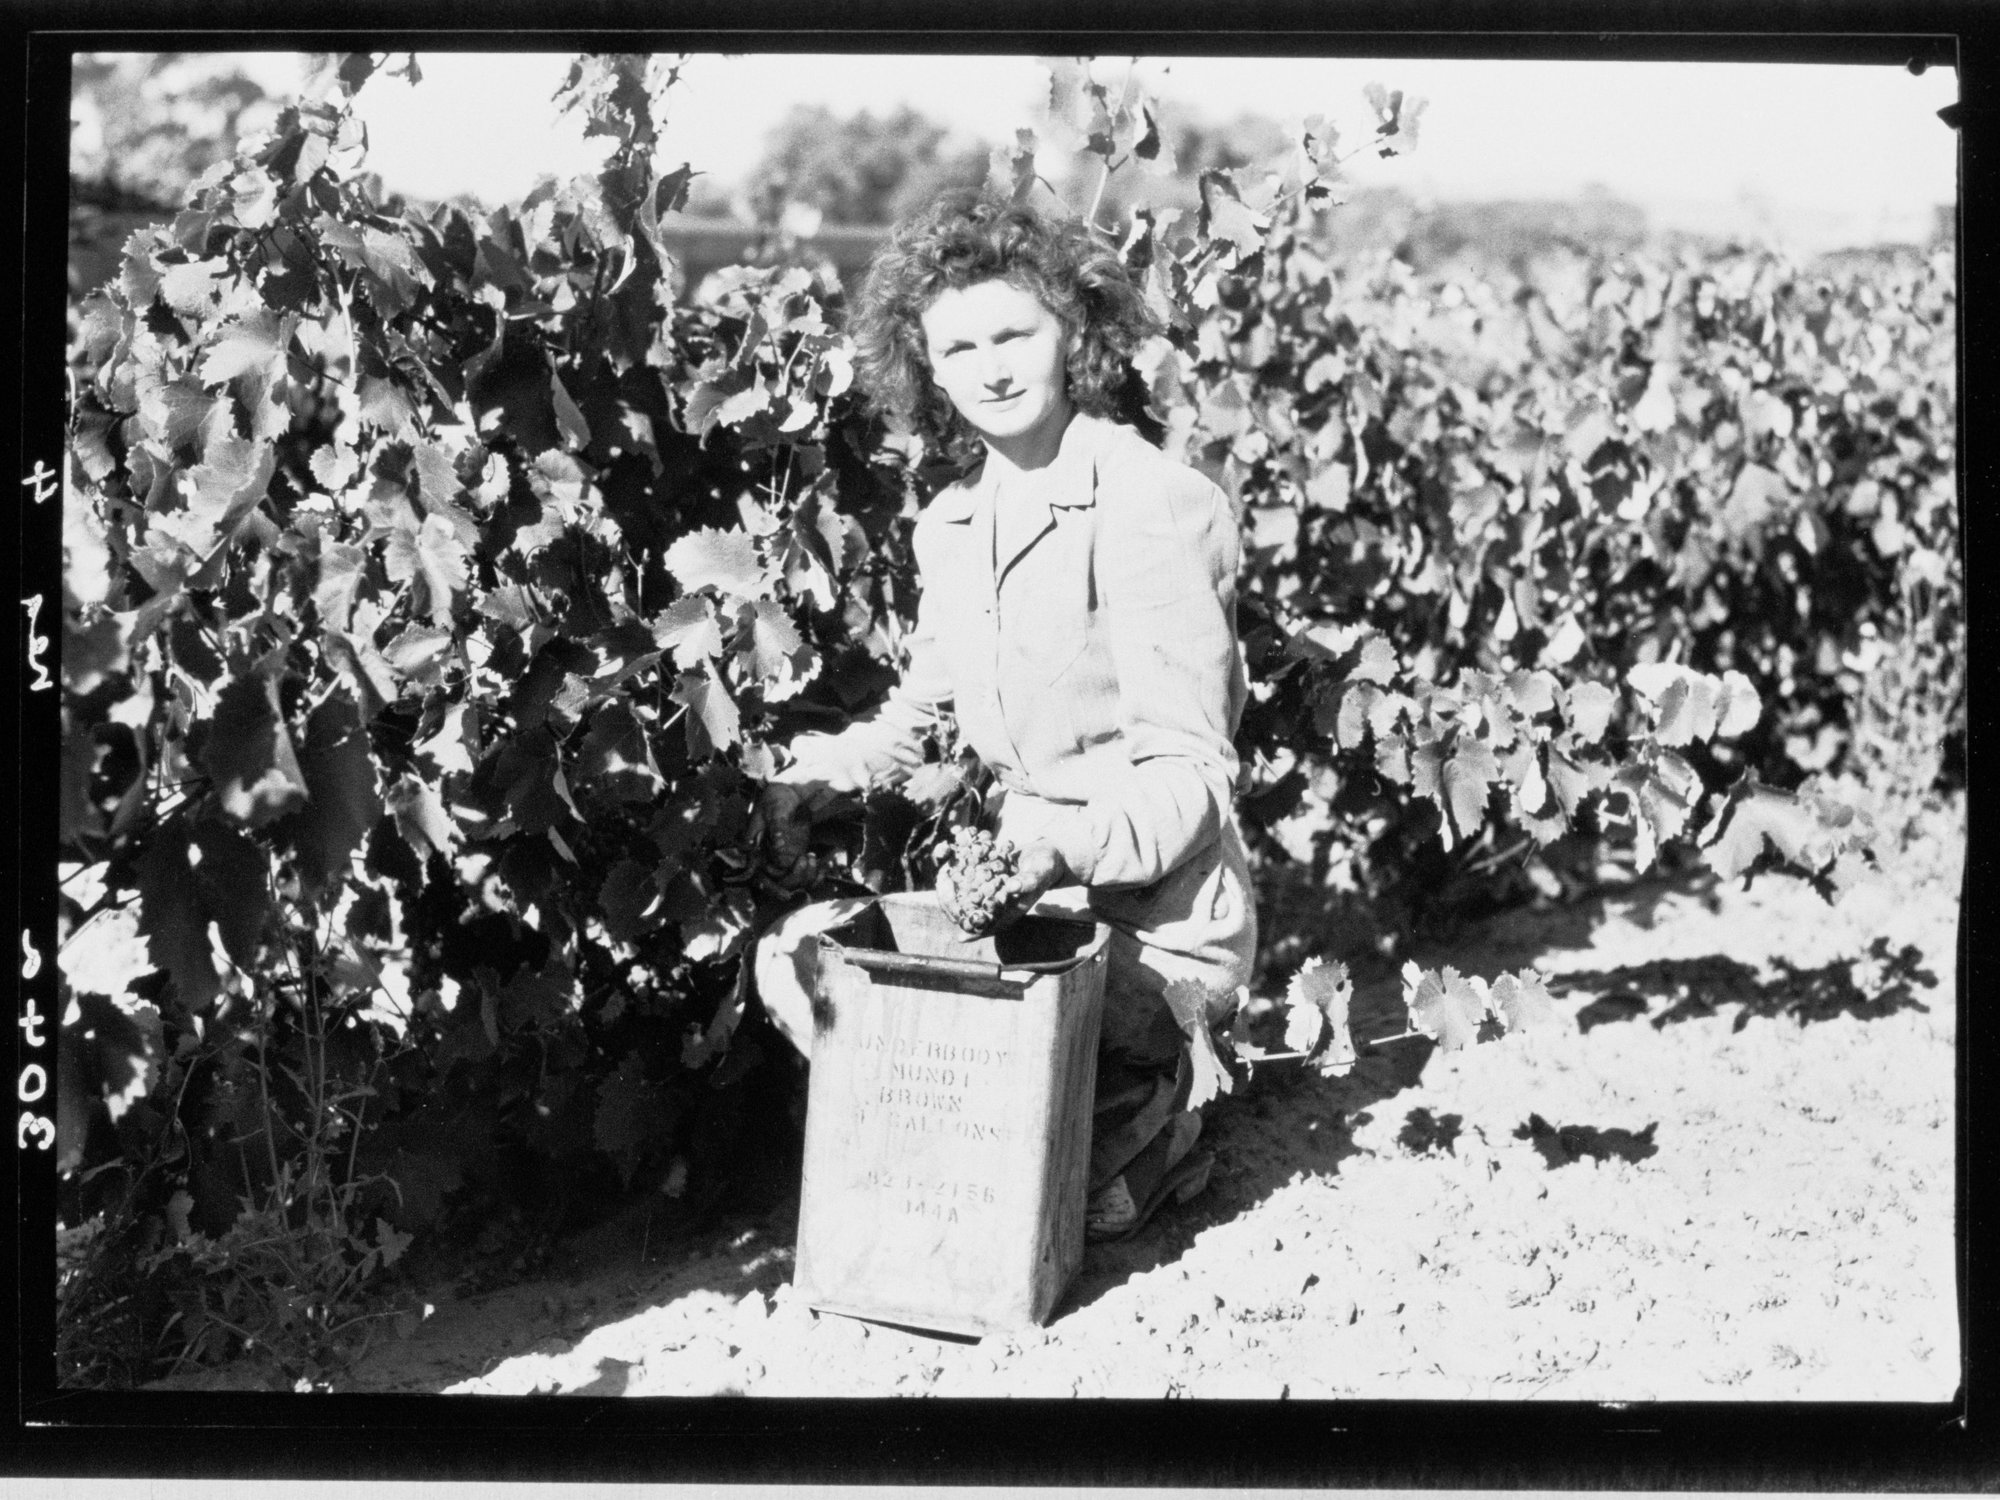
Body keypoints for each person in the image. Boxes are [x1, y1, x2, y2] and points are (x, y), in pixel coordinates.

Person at [754, 189, 1256, 1241]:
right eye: (957, 347)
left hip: (1152, 926)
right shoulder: (953, 522)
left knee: (1059, 1202)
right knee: (795, 955)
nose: (989, 366)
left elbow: (1191, 774)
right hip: (1024, 913)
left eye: (1013, 333)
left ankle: (1162, 1105)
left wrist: (1051, 856)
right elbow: (925, 713)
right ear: (925, 369)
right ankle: (1049, 1113)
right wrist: (822, 774)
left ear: (1073, 333)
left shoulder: (1149, 500)